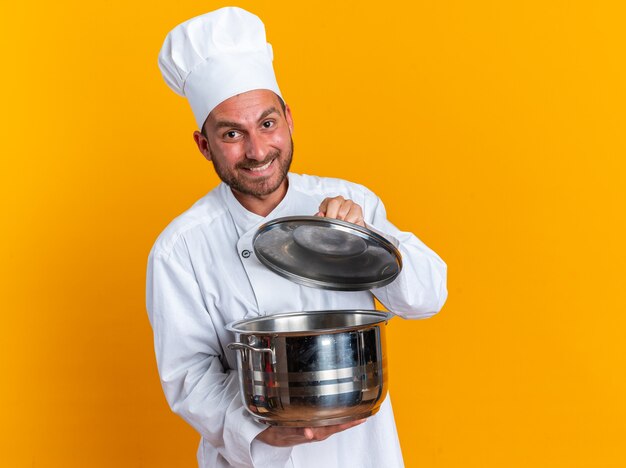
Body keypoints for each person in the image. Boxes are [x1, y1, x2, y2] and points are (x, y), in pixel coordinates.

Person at [147, 7, 447, 468]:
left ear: (288, 118)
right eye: (232, 133)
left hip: (362, 454)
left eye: (267, 124)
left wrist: (365, 243)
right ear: (204, 144)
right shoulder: (180, 248)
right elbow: (189, 377)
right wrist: (265, 430)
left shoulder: (346, 200)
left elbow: (429, 297)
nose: (257, 150)